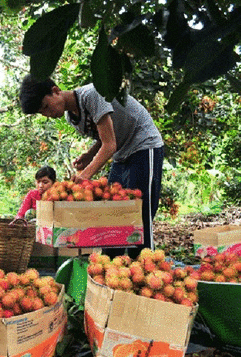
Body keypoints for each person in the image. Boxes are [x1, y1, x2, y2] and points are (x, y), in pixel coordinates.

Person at [19, 75, 164, 259]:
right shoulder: (72, 118)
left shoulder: (91, 95)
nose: (48, 114)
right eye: (42, 113)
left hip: (144, 144)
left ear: (56, 91)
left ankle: (145, 265)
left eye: (46, 106)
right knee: (112, 212)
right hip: (121, 153)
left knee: (140, 214)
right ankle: (112, 267)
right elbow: (105, 136)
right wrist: (89, 155)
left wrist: (85, 175)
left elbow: (109, 145)